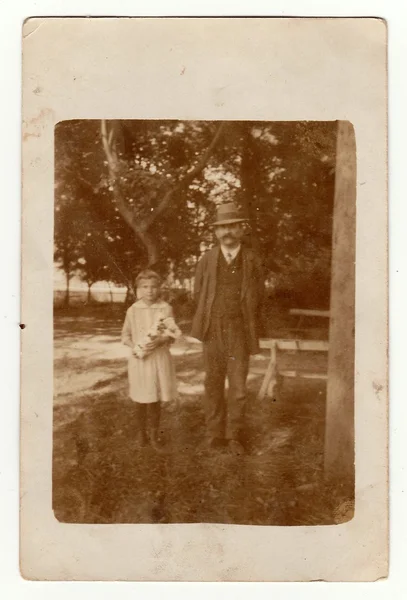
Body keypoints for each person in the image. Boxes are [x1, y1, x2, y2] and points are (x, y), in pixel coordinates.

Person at [191, 202, 265, 455]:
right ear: (215, 232)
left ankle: (234, 436)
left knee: (238, 387)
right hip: (213, 329)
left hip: (239, 331)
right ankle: (213, 434)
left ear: (242, 229)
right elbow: (198, 293)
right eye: (222, 227)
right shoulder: (206, 260)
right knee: (212, 383)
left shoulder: (252, 260)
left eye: (232, 226)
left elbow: (259, 298)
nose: (227, 232)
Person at [121, 270, 178, 450]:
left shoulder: (165, 308)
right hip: (140, 360)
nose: (150, 291)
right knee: (141, 398)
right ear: (138, 289)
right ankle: (141, 434)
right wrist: (136, 347)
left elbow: (173, 333)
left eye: (154, 287)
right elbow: (125, 335)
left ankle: (154, 435)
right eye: (145, 287)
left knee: (154, 398)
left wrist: (163, 339)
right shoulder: (133, 310)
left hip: (158, 358)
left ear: (159, 288)